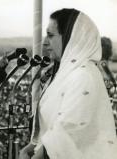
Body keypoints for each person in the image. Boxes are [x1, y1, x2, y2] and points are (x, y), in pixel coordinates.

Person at [20, 8, 117, 159]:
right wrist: (32, 146)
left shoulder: (84, 75)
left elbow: (67, 131)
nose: (45, 42)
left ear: (71, 38)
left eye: (51, 35)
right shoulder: (64, 73)